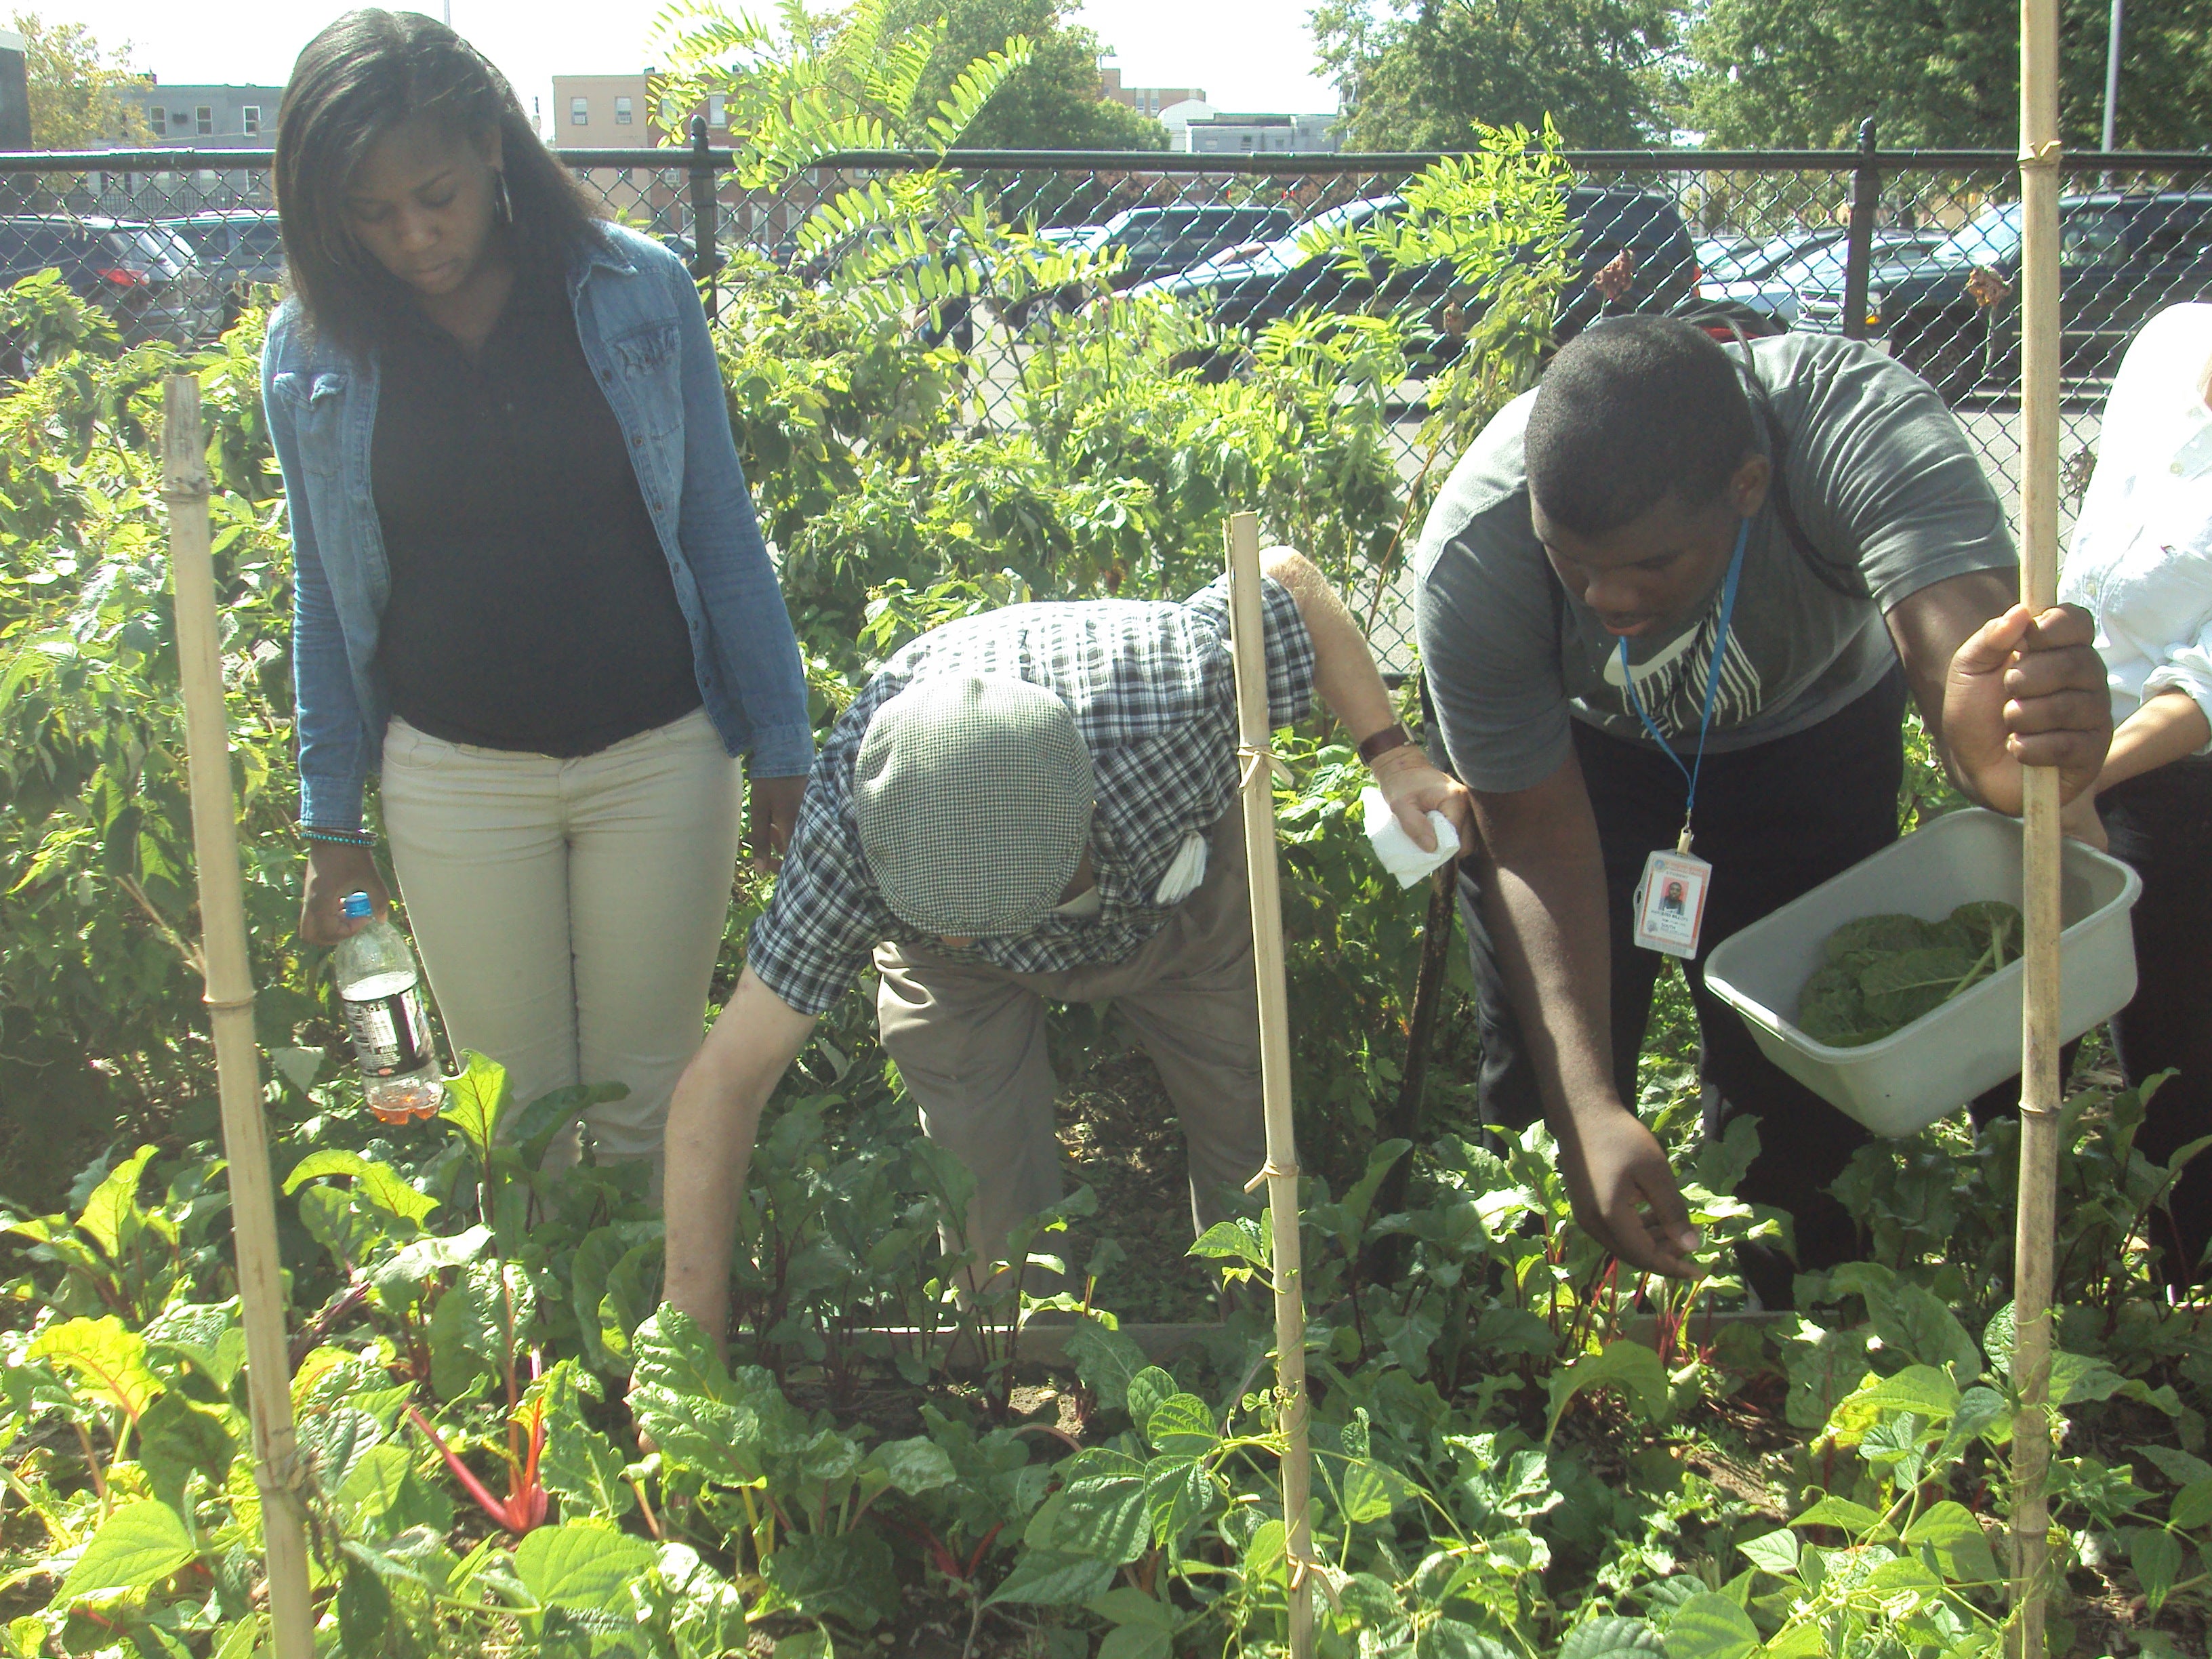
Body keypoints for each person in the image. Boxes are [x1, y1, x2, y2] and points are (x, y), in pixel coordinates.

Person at [1414, 316, 2112, 1306]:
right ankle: (1553, 1336)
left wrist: (2004, 744)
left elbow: (1966, 661)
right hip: (1584, 765)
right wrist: (1589, 1106)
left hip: (1809, 739)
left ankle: (1787, 1335)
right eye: (1574, 562)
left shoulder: (1854, 425)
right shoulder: (1480, 549)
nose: (1607, 597)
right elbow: (1532, 833)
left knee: (1795, 1096)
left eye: (1652, 564)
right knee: (1542, 1082)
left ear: (1747, 488)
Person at [659, 550, 1475, 1349]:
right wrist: (688, 1343)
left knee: (1250, 1134)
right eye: (937, 912)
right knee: (981, 1176)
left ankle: (1267, 1351)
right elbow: (728, 1077)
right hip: (957, 986)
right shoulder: (853, 830)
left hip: (1177, 911)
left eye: (989, 911)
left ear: (1084, 823)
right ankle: (1016, 1356)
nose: (955, 932)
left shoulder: (1170, 707)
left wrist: (1395, 757)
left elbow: (1290, 582)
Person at [264, 10, 812, 1190]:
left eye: (436, 193)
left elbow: (718, 525)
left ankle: (655, 1361)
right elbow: (325, 588)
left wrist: (782, 742)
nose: (414, 235)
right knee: (511, 1125)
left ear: (491, 147)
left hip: (659, 759)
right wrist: (329, 825)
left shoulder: (634, 292)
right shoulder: (308, 354)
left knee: (640, 1098)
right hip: (453, 776)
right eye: (372, 211)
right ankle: (545, 1370)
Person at [2057, 302, 2212, 1286]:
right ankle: (2025, 1248)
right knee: (2021, 1027)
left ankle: (2178, 1295)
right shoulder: (2167, 342)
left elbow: (2204, 684)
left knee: (2172, 1062)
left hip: (2180, 779)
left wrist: (2074, 776)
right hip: (2078, 749)